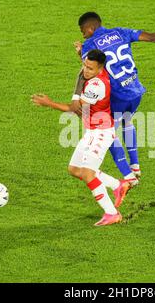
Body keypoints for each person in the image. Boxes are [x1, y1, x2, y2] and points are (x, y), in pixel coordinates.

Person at [72, 12, 155, 186]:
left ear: (90, 28)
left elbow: (87, 71)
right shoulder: (120, 32)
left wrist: (81, 53)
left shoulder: (89, 44)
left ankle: (128, 177)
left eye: (83, 31)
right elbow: (152, 37)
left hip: (118, 96)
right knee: (127, 121)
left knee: (107, 133)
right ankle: (135, 165)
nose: (83, 35)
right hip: (135, 91)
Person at [31, 49, 130, 226]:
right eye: (85, 65)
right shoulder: (101, 69)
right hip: (91, 131)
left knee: (87, 174)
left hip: (100, 133)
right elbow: (89, 68)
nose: (85, 70)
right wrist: (80, 55)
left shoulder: (96, 86)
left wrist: (49, 103)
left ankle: (112, 213)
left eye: (90, 68)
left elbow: (75, 109)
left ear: (100, 69)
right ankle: (118, 185)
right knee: (75, 169)